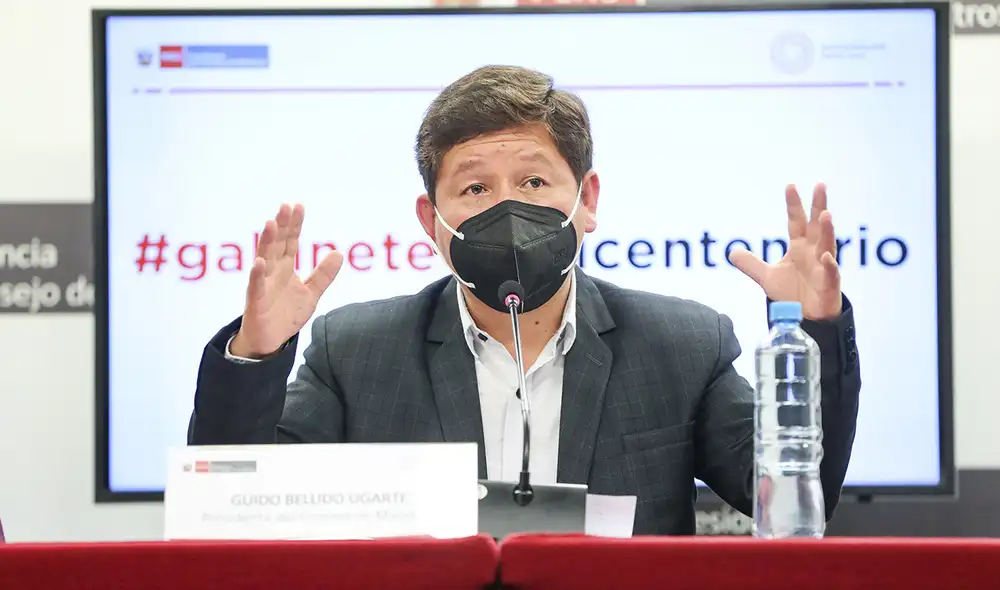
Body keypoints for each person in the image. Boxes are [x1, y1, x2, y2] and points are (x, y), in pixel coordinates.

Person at [188, 65, 860, 535]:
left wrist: (818, 330)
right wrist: (258, 352)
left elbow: (801, 500)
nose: (508, 207)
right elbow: (231, 508)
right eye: (475, 189)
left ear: (586, 202)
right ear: (431, 221)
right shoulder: (355, 352)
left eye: (534, 180)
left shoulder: (682, 345)